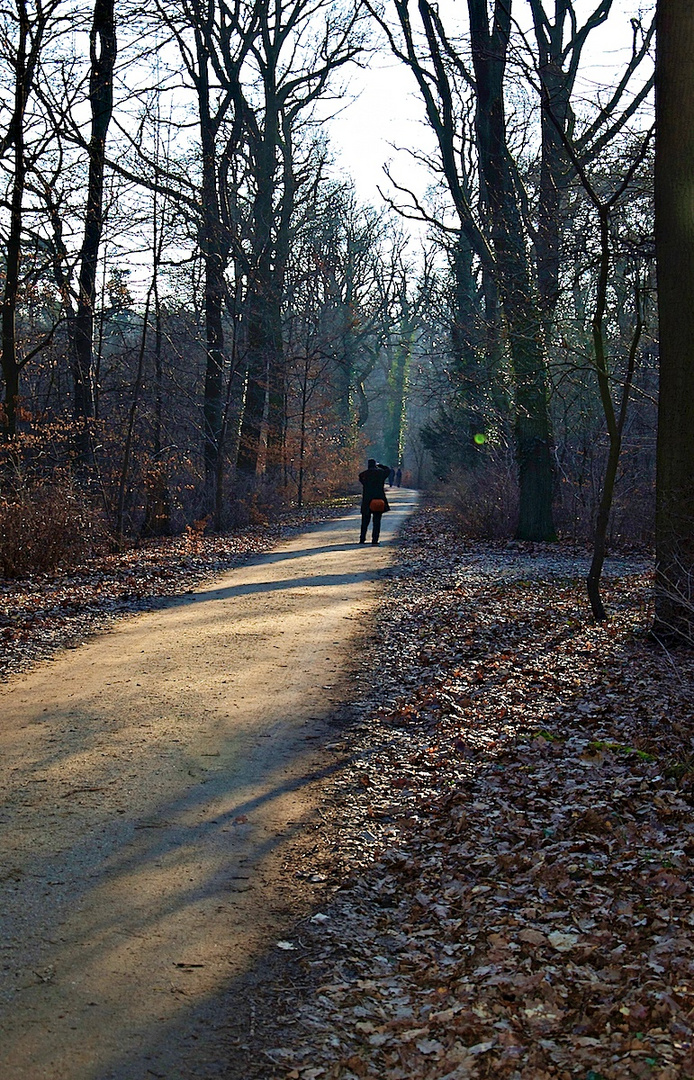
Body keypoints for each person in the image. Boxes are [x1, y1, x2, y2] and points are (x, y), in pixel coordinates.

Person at [358, 458, 391, 545]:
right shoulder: (380, 473)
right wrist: (380, 465)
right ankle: (375, 540)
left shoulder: (364, 475)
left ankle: (362, 539)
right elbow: (388, 470)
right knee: (376, 521)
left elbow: (360, 478)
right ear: (375, 465)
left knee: (365, 521)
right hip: (378, 500)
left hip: (367, 500)